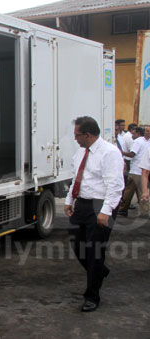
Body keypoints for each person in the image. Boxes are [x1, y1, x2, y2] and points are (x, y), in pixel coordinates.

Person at [64, 116, 124, 313]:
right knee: (78, 245)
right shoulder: (81, 152)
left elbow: (115, 185)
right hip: (82, 204)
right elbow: (77, 177)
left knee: (95, 250)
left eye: (77, 135)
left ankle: (92, 296)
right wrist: (69, 200)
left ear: (88, 135)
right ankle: (100, 271)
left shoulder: (109, 153)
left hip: (100, 205)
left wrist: (106, 211)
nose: (75, 139)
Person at [118, 127, 148, 215]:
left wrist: (121, 152)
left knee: (128, 191)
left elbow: (132, 154)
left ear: (138, 133)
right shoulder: (147, 142)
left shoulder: (137, 141)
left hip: (135, 170)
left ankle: (123, 209)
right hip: (143, 170)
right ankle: (145, 210)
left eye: (133, 134)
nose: (132, 136)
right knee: (142, 191)